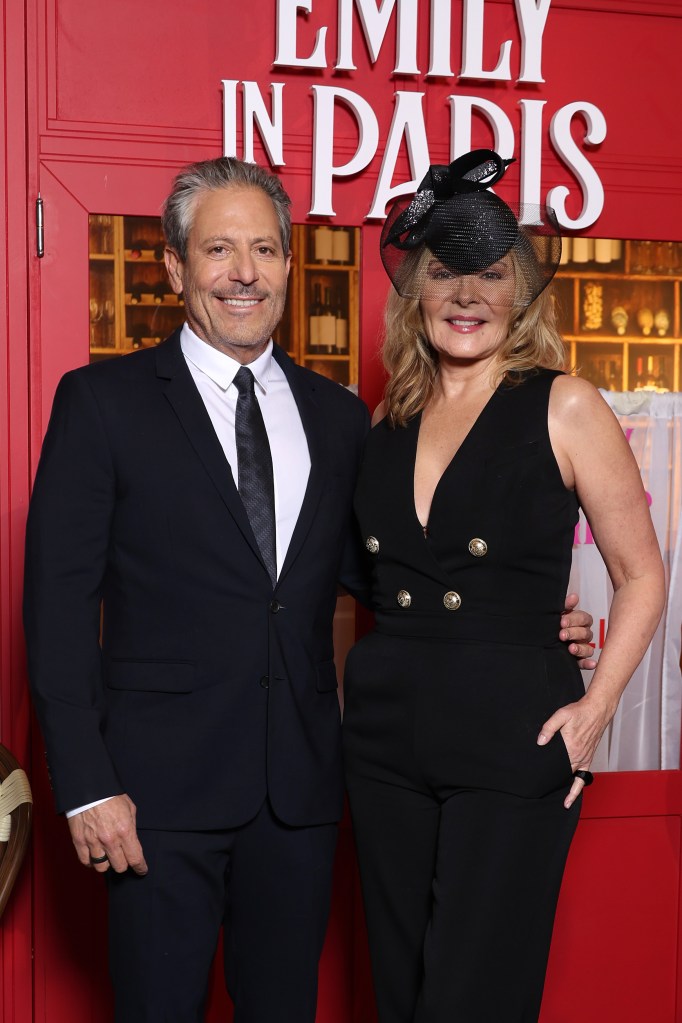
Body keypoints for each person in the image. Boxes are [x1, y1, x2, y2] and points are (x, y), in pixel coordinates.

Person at [23, 155, 595, 1023]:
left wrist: (523, 622)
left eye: (263, 249)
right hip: (153, 799)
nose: (243, 272)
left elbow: (385, 577)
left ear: (290, 265)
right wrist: (88, 785)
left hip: (299, 796)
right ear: (177, 267)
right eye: (219, 249)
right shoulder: (102, 404)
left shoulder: (337, 418)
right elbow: (55, 609)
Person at [342, 149, 666, 1023]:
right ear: (416, 289)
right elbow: (357, 587)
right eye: (445, 272)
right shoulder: (386, 417)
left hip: (512, 729)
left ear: (520, 292)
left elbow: (643, 574)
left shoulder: (564, 403)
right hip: (383, 739)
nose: (467, 295)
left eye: (490, 273)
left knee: (472, 997)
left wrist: (595, 710)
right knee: (401, 992)